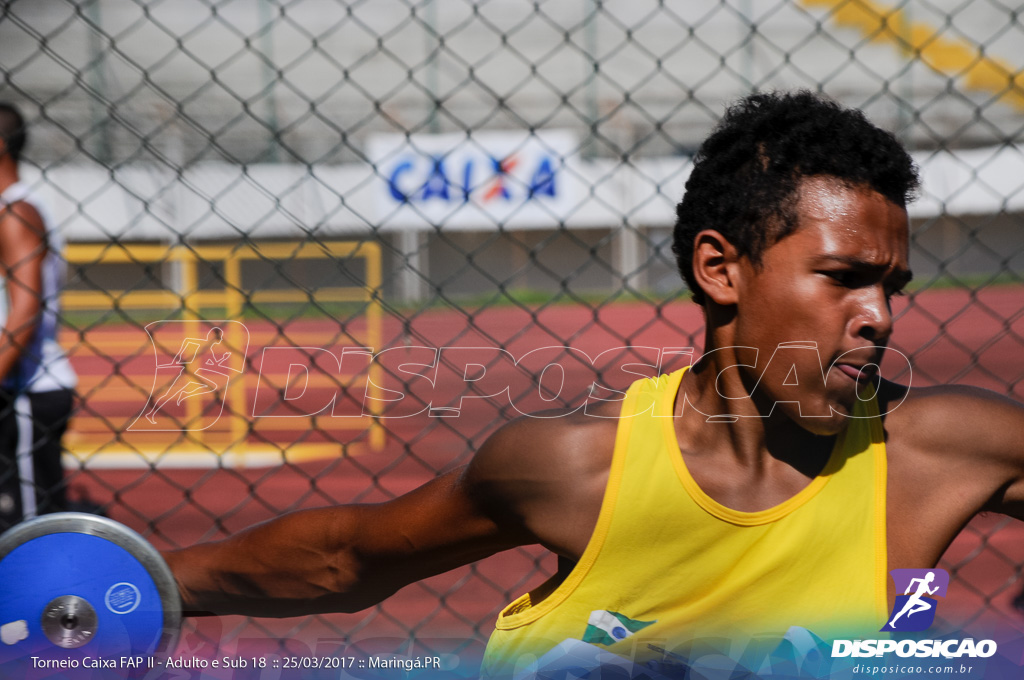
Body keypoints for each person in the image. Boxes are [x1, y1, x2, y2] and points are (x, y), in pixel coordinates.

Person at [163, 91, 1024, 676]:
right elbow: (345, 557)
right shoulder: (576, 468)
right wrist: (142, 583)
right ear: (722, 269)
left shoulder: (941, 450)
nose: (880, 315)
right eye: (843, 276)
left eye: (893, 286)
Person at [0, 103, 78, 530]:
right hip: (16, 388)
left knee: (30, 533)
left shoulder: (15, 212)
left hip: (26, 390)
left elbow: (25, 311)